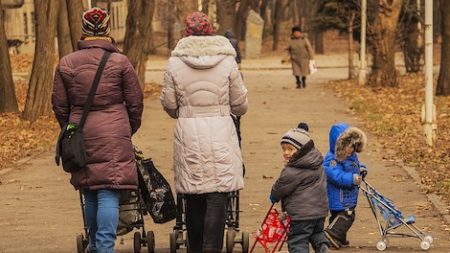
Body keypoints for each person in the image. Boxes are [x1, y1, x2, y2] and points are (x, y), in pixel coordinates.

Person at [52, 7, 143, 253]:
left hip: (81, 132)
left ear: (84, 31)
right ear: (106, 30)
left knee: (89, 191)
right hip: (114, 132)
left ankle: (94, 246)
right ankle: (104, 248)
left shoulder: (66, 63)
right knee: (109, 191)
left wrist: (71, 131)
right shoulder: (120, 62)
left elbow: (60, 106)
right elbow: (135, 102)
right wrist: (127, 128)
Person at [160, 12, 248, 253]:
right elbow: (241, 105)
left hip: (188, 131)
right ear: (210, 31)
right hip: (221, 130)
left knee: (193, 192)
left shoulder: (175, 63)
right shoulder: (227, 61)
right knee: (218, 192)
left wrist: (185, 113)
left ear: (186, 33)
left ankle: (195, 248)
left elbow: (168, 103)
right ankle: (213, 248)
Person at [270, 128, 330, 253]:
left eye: (290, 149)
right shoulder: (318, 164)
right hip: (320, 211)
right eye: (284, 149)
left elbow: (281, 187)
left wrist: (274, 196)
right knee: (317, 233)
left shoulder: (292, 171)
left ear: (301, 151)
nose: (286, 152)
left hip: (301, 215)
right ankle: (323, 248)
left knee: (298, 239)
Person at [323, 123, 368, 249]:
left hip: (347, 195)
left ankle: (339, 238)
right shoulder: (331, 159)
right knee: (347, 215)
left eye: (354, 147)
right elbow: (334, 175)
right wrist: (351, 178)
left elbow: (356, 164)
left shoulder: (351, 156)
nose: (352, 150)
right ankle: (331, 234)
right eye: (349, 147)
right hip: (339, 196)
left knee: (337, 217)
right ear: (340, 146)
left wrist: (362, 169)